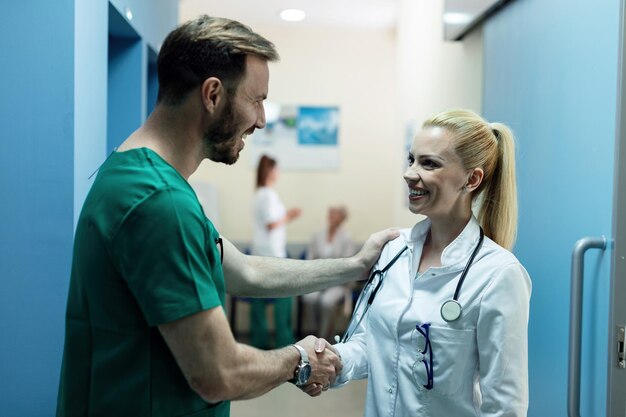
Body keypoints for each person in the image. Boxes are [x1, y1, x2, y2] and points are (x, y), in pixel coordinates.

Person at [55, 15, 398, 417]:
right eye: (257, 100)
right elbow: (218, 373)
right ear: (213, 94)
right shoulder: (159, 202)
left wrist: (357, 265)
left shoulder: (141, 175)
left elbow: (246, 272)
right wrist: (299, 358)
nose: (262, 119)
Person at [325, 109, 531, 416]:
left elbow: (504, 406)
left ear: (472, 179)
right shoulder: (393, 250)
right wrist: (332, 360)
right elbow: (373, 343)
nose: (410, 173)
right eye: (412, 159)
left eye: (429, 163)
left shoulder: (498, 275)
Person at [249, 154, 301, 349]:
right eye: (277, 169)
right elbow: (272, 224)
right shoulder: (268, 195)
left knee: (259, 300)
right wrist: (290, 215)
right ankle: (283, 341)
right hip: (272, 255)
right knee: (283, 298)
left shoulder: (259, 194)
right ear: (270, 171)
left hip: (260, 253)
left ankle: (259, 341)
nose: (278, 173)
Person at [302, 205, 356, 341]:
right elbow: (310, 259)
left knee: (326, 302)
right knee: (309, 298)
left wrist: (330, 277)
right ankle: (314, 334)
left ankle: (323, 338)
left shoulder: (346, 237)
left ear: (342, 218)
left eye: (335, 213)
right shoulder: (318, 235)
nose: (331, 215)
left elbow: (347, 264)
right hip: (318, 280)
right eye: (330, 212)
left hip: (338, 283)